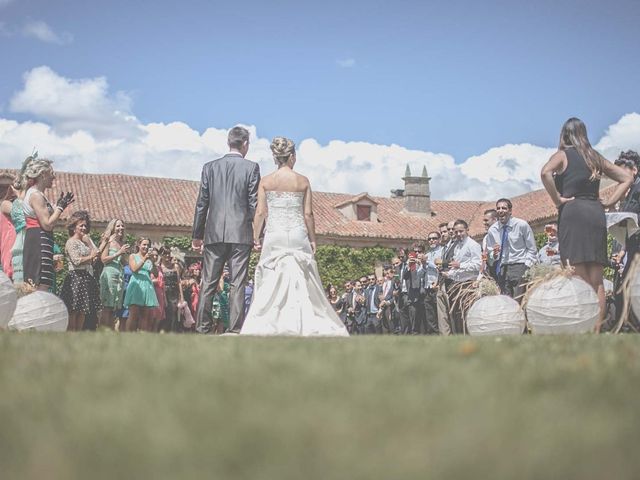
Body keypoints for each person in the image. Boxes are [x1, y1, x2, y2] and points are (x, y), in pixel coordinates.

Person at [240, 137, 348, 336]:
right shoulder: (303, 181)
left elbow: (261, 213)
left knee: (272, 275)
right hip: (298, 233)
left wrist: (255, 236)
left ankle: (270, 321)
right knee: (303, 277)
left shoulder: (266, 181)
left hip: (275, 233)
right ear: (291, 157)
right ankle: (304, 320)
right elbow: (308, 214)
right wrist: (313, 238)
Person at [541, 117, 631, 330]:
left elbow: (545, 172)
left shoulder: (562, 155)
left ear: (564, 134)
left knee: (576, 273)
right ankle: (596, 329)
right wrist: (610, 201)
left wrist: (557, 200)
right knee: (596, 278)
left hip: (573, 213)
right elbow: (626, 177)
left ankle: (581, 326)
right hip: (595, 213)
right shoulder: (594, 157)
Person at [192, 126, 261, 334]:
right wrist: (258, 235)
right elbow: (254, 204)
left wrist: (197, 234)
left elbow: (202, 203)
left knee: (208, 282)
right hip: (241, 233)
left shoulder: (209, 167)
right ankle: (234, 329)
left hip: (213, 233)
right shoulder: (251, 168)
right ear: (246, 144)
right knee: (237, 283)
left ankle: (202, 328)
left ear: (228, 142)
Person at [22, 156, 74, 289]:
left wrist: (57, 207)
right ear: (43, 174)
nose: (54, 176)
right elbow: (47, 224)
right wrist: (60, 208)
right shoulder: (36, 195)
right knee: (39, 287)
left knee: (41, 286)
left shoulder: (37, 194)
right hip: (38, 241)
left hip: (40, 241)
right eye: (51, 173)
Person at [485, 198, 538, 300]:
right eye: (498, 208)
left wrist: (526, 267)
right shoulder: (492, 230)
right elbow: (491, 255)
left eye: (504, 208)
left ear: (510, 211)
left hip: (520, 265)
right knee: (506, 301)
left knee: (520, 299)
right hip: (502, 268)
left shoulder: (521, 225)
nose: (501, 210)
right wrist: (494, 254)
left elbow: (532, 249)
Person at [59, 211, 103, 331]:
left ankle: (78, 336)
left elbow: (96, 256)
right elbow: (76, 261)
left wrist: (89, 242)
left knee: (83, 311)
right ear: (74, 227)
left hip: (86, 278)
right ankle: (71, 335)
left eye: (85, 225)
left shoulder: (84, 243)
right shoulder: (71, 242)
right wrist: (91, 256)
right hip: (75, 278)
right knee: (73, 310)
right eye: (81, 225)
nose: (84, 228)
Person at [442, 219, 482, 334]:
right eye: (456, 232)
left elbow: (478, 264)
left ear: (467, 230)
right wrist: (448, 274)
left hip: (468, 284)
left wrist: (460, 265)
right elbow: (456, 267)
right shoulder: (457, 246)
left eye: (461, 231)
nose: (458, 234)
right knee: (456, 315)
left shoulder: (473, 245)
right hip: (456, 284)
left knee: (467, 314)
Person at [99, 219, 129, 329]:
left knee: (114, 308)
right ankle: (102, 331)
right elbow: (103, 260)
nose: (121, 228)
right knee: (106, 306)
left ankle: (110, 333)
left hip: (119, 276)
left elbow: (123, 262)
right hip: (109, 275)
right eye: (118, 226)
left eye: (122, 226)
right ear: (113, 228)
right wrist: (119, 252)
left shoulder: (121, 243)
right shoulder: (108, 241)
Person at [123, 237, 159, 332]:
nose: (146, 247)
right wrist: (144, 258)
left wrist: (152, 262)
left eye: (148, 245)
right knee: (133, 315)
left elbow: (156, 274)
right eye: (144, 244)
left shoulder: (149, 259)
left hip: (147, 286)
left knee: (145, 316)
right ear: (139, 245)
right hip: (136, 286)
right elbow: (134, 269)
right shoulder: (133, 256)